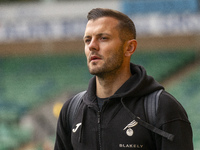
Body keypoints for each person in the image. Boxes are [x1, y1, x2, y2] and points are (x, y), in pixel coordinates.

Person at [54, 8, 193, 150]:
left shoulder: (162, 108)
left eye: (103, 38)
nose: (92, 46)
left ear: (129, 47)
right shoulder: (71, 110)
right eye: (87, 40)